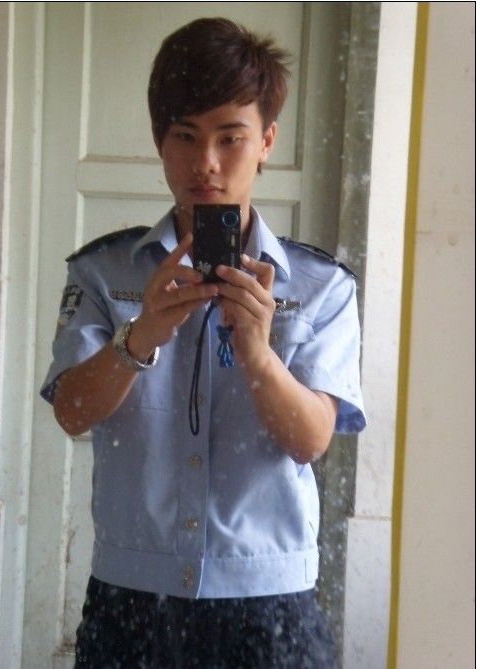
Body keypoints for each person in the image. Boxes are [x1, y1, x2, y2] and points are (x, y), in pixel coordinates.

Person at [41, 17, 366, 669]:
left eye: (230, 137)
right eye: (185, 137)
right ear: (160, 141)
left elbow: (312, 440)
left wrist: (259, 355)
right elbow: (71, 412)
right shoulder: (104, 272)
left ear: (267, 140)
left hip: (269, 597)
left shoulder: (320, 286)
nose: (206, 163)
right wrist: (140, 337)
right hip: (133, 595)